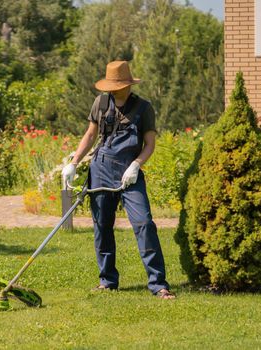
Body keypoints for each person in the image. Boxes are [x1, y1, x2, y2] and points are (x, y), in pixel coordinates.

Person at [62, 60, 175, 299]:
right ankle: (108, 281)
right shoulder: (101, 103)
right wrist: (73, 163)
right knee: (102, 226)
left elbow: (150, 144)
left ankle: (158, 284)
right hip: (101, 168)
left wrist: (136, 165)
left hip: (129, 173)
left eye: (116, 85)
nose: (112, 89)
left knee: (144, 223)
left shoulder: (144, 108)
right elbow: (90, 135)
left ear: (127, 84)